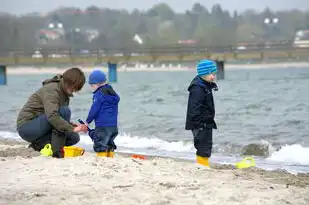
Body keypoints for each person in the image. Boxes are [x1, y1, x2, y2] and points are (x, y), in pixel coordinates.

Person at [16, 67, 88, 158]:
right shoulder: (52, 90)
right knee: (65, 111)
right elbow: (53, 116)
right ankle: (57, 151)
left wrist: (73, 127)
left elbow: (57, 118)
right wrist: (73, 128)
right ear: (68, 82)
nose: (74, 90)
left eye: (76, 88)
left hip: (42, 124)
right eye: (74, 87)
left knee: (74, 137)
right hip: (26, 127)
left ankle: (38, 145)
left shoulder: (64, 93)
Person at [185, 59, 218, 167]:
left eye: (214, 74)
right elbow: (194, 107)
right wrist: (199, 124)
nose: (213, 76)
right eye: (210, 74)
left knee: (206, 145)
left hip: (206, 122)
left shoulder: (205, 84)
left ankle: (203, 164)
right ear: (203, 74)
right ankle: (202, 165)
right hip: (200, 123)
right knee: (203, 146)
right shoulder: (198, 88)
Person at [85, 70, 120, 157]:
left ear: (96, 84)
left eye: (92, 85)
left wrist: (87, 121)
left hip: (102, 126)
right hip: (113, 126)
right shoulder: (112, 93)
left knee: (100, 144)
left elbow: (94, 109)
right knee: (109, 143)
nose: (92, 87)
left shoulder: (99, 94)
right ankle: (110, 157)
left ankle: (102, 159)